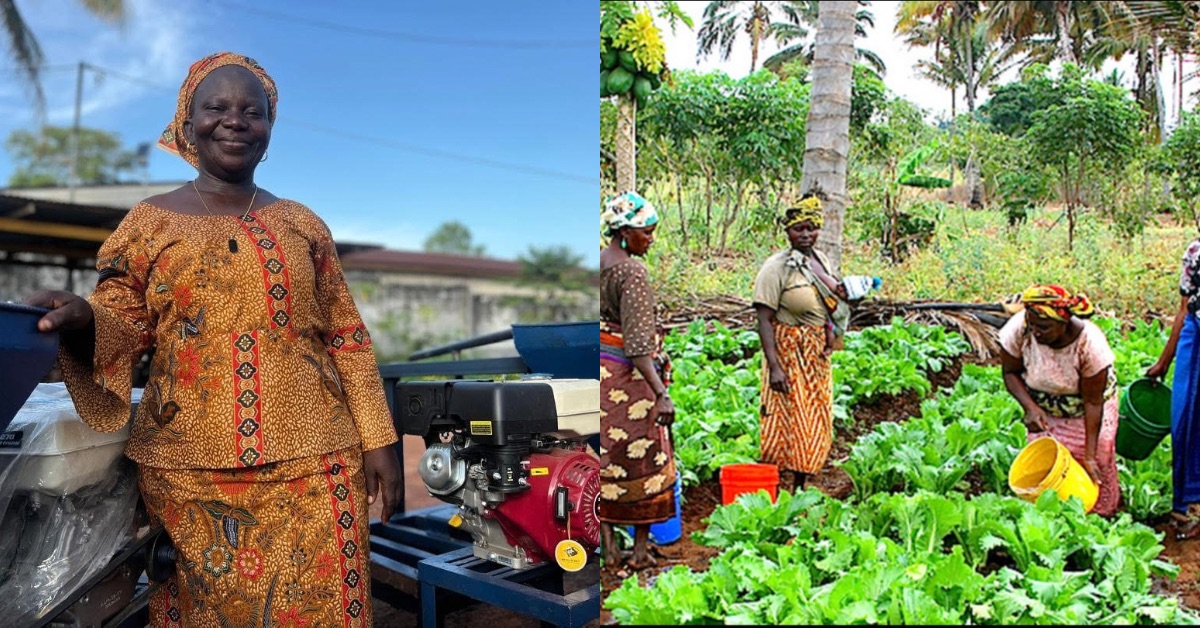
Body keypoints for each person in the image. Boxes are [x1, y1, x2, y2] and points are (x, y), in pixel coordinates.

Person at [24, 52, 401, 626]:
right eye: (216, 107)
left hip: (316, 460)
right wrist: (85, 319)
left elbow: (347, 336)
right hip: (188, 468)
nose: (235, 120)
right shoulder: (148, 223)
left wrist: (378, 439)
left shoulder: (303, 223)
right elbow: (122, 321)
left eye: (253, 111)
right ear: (187, 121)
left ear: (269, 130)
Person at [598, 191, 676, 573]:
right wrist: (660, 393)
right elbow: (638, 344)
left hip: (600, 377)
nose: (651, 239)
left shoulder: (598, 264)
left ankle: (610, 548)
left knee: (606, 461)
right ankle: (640, 552)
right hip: (630, 382)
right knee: (643, 459)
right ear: (625, 232)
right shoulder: (631, 271)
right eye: (647, 232)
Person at [1000, 284, 1120, 516]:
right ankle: (1053, 515)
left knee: (1097, 459)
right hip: (1044, 406)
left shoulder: (1089, 345)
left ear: (1063, 322)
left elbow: (1093, 403)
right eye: (1031, 324)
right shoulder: (1019, 329)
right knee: (1047, 462)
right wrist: (1031, 408)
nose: (1036, 332)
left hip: (1087, 408)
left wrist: (1089, 454)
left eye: (1044, 327)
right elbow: (1009, 373)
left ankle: (1103, 514)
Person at [751, 194, 845, 492]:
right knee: (786, 419)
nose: (805, 235)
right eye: (798, 229)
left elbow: (826, 303)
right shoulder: (776, 268)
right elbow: (764, 319)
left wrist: (830, 330)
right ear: (787, 231)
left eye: (810, 228)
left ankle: (802, 484)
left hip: (815, 352)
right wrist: (774, 367)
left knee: (815, 417)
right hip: (788, 351)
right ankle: (777, 486)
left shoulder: (820, 260)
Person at [1147, 237, 1200, 538]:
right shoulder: (1195, 252)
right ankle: (1188, 508)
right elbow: (1184, 309)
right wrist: (1164, 362)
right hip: (1196, 333)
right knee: (1184, 421)